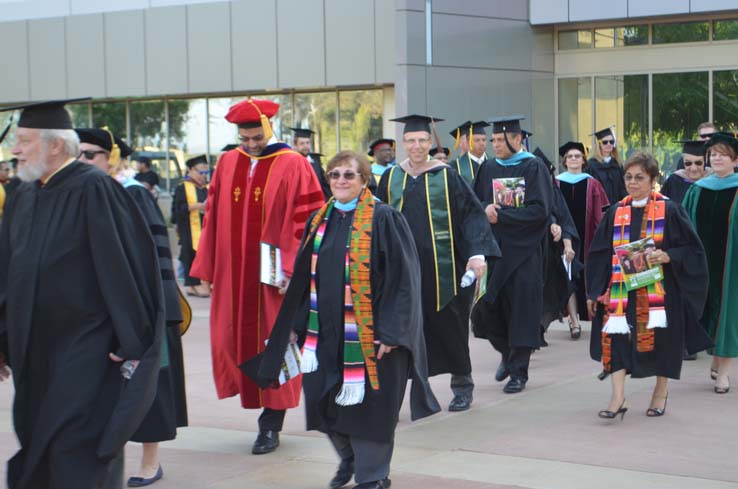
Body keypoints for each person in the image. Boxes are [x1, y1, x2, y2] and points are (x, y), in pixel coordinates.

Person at [246, 150, 440, 489]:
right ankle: (350, 457)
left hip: (372, 336)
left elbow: (405, 280)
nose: (340, 181)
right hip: (323, 333)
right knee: (324, 401)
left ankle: (373, 477)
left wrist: (392, 332)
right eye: (334, 175)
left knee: (371, 412)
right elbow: (306, 280)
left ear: (364, 179)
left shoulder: (384, 219)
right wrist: (295, 326)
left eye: (349, 175)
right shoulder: (320, 220)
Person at [0, 100, 164, 489]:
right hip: (32, 350)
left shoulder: (96, 190)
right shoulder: (22, 193)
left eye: (24, 141)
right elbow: (7, 271)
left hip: (85, 349)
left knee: (77, 446)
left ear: (56, 145)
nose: (15, 150)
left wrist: (132, 340)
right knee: (37, 435)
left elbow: (124, 269)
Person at [191, 98, 324, 454]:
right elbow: (213, 218)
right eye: (245, 138)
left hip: (274, 278)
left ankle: (271, 424)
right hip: (234, 277)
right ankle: (258, 409)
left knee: (275, 344)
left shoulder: (294, 164)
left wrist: (292, 269)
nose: (251, 145)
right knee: (231, 341)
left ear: (269, 129)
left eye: (257, 137)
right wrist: (207, 268)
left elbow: (308, 220)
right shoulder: (228, 162)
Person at [75, 126, 188, 487]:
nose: (82, 161)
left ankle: (149, 462)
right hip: (96, 311)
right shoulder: (79, 193)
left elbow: (155, 259)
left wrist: (157, 313)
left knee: (144, 384)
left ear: (112, 158)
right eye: (77, 154)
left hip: (140, 308)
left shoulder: (133, 194)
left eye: (89, 154)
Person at [376, 115, 499, 412]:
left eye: (421, 140)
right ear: (403, 144)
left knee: (451, 328)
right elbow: (377, 221)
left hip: (444, 270)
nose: (416, 146)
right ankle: (406, 394)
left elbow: (471, 214)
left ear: (430, 144)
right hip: (403, 272)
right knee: (403, 330)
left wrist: (476, 254)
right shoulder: (392, 177)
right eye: (410, 141)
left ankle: (462, 386)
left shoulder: (446, 175)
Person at [586, 152, 712, 420]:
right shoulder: (617, 211)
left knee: (662, 343)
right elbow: (598, 252)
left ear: (653, 179)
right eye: (628, 177)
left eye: (639, 178)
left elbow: (693, 250)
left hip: (660, 293)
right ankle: (617, 398)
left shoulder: (670, 210)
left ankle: (660, 391)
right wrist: (595, 290)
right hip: (621, 291)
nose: (632, 183)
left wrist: (668, 255)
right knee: (616, 339)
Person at [471, 116, 552, 394]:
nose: (494, 145)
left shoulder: (533, 167)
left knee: (522, 313)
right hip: (494, 251)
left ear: (517, 140)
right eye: (492, 140)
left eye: (499, 140)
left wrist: (501, 216)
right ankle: (506, 352)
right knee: (486, 310)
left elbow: (540, 210)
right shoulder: (488, 168)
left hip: (524, 253)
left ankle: (519, 371)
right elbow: (474, 201)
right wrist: (484, 209)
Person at [682, 132, 738, 394]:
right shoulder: (697, 189)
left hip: (732, 265)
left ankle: (724, 374)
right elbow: (682, 226)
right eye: (713, 154)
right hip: (701, 264)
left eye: (722, 154)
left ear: (734, 160)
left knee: (728, 315)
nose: (716, 158)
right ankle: (716, 359)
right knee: (706, 312)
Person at [555, 142, 609, 337]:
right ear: (565, 161)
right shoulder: (556, 183)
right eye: (570, 156)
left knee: (583, 276)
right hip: (563, 237)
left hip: (587, 238)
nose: (574, 159)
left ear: (583, 160)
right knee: (567, 275)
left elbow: (600, 214)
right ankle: (573, 320)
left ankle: (581, 316)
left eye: (577, 156)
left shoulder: (592, 183)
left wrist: (600, 237)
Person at [172, 155, 210, 298]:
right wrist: (196, 206)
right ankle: (193, 284)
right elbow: (177, 209)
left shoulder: (206, 187)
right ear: (191, 170)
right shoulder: (183, 187)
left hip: (205, 227)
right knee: (190, 254)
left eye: (206, 173)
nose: (203, 176)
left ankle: (200, 284)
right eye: (201, 172)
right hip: (188, 227)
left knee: (204, 254)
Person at [587, 126, 626, 204]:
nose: (609, 144)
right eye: (605, 142)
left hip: (617, 206)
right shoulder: (591, 165)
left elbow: (623, 188)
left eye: (611, 141)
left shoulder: (618, 164)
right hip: (599, 207)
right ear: (599, 144)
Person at [290, 127, 331, 200]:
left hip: (317, 203)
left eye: (307, 143)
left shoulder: (316, 161)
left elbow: (324, 184)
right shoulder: (291, 163)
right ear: (295, 145)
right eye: (302, 143)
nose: (305, 146)